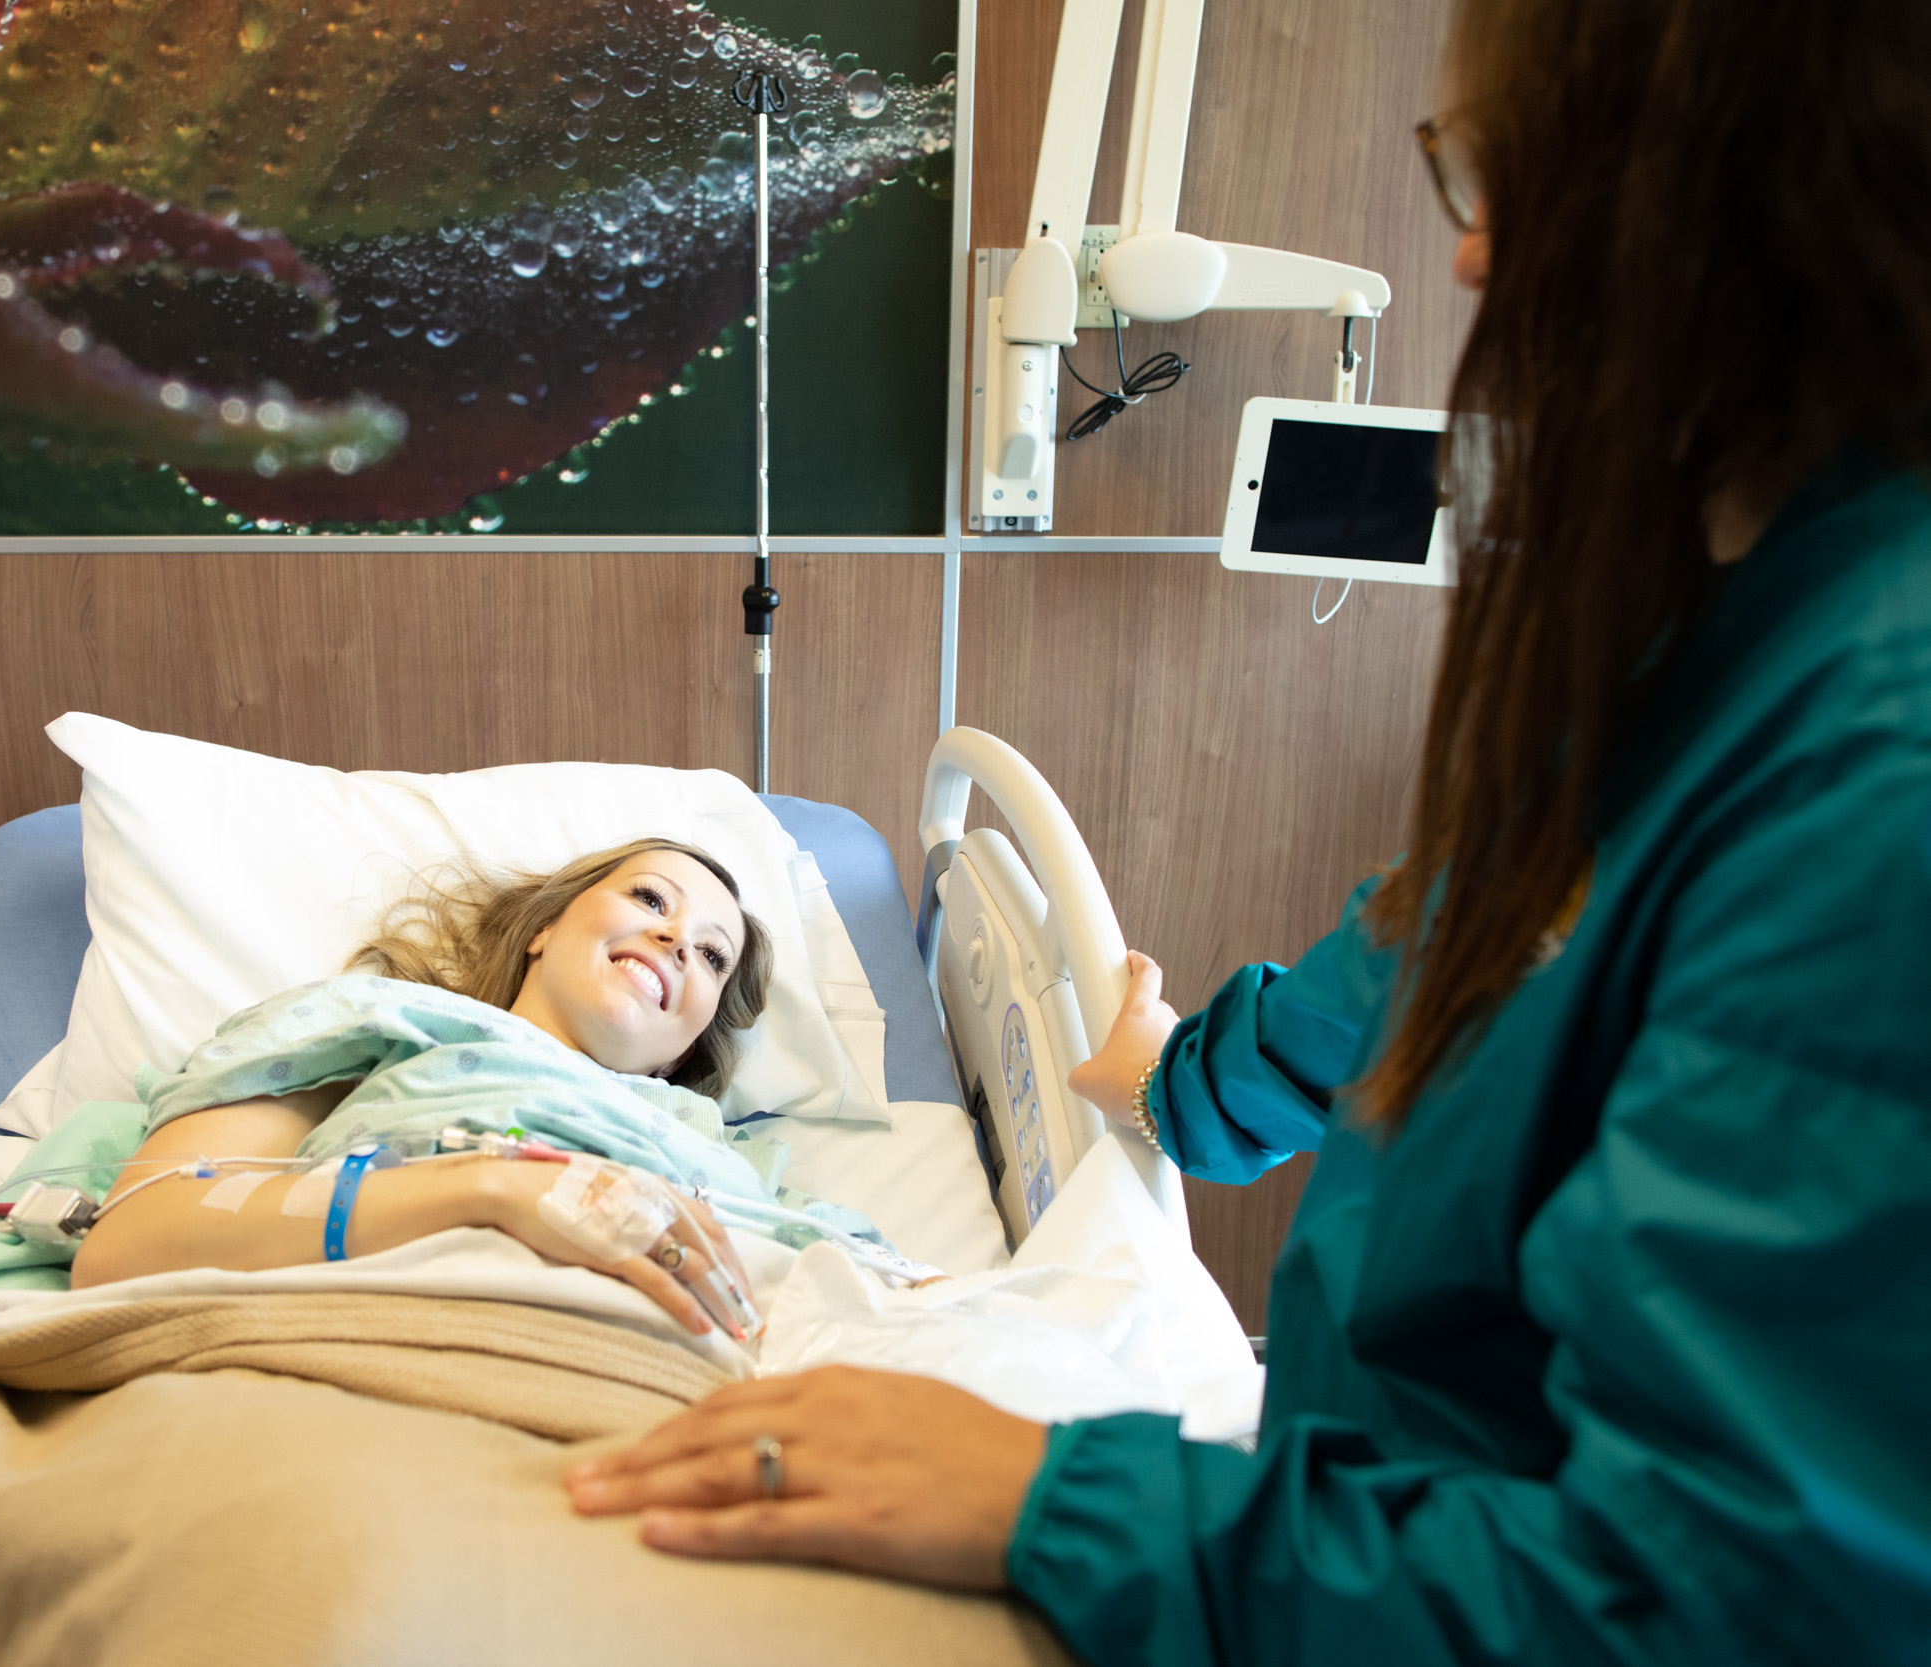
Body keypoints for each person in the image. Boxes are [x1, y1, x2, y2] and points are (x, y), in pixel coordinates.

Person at [562, 1, 1931, 1659]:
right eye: (1463, 177)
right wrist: (1174, 1077)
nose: (1477, 260)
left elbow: (1729, 1604)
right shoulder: (1693, 644)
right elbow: (1424, 949)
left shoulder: (1874, 765)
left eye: (1509, 174)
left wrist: (1050, 1499)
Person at [63, 839, 778, 1339]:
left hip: (660, 1404)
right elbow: (131, 1240)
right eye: (651, 898)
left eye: (713, 954)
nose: (679, 940)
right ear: (546, 927)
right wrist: (491, 1189)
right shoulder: (383, 1024)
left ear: (686, 1046)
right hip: (375, 1357)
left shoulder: (724, 1159)